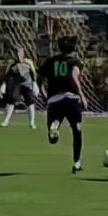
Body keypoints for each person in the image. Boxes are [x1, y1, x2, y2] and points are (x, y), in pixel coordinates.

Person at [37, 35, 86, 174]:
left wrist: (44, 95)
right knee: (77, 131)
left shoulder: (50, 61)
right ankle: (77, 163)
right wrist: (82, 94)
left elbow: (40, 80)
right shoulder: (75, 61)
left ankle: (55, 125)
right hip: (72, 99)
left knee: (53, 139)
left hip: (54, 100)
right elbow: (74, 75)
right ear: (73, 48)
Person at [0, 48, 38, 129]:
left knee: (30, 101)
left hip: (27, 84)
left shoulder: (28, 62)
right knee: (11, 100)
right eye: (16, 53)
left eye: (20, 53)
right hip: (16, 84)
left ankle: (32, 122)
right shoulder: (12, 63)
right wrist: (3, 84)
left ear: (23, 53)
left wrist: (34, 83)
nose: (18, 55)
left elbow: (33, 73)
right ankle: (6, 121)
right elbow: (7, 75)